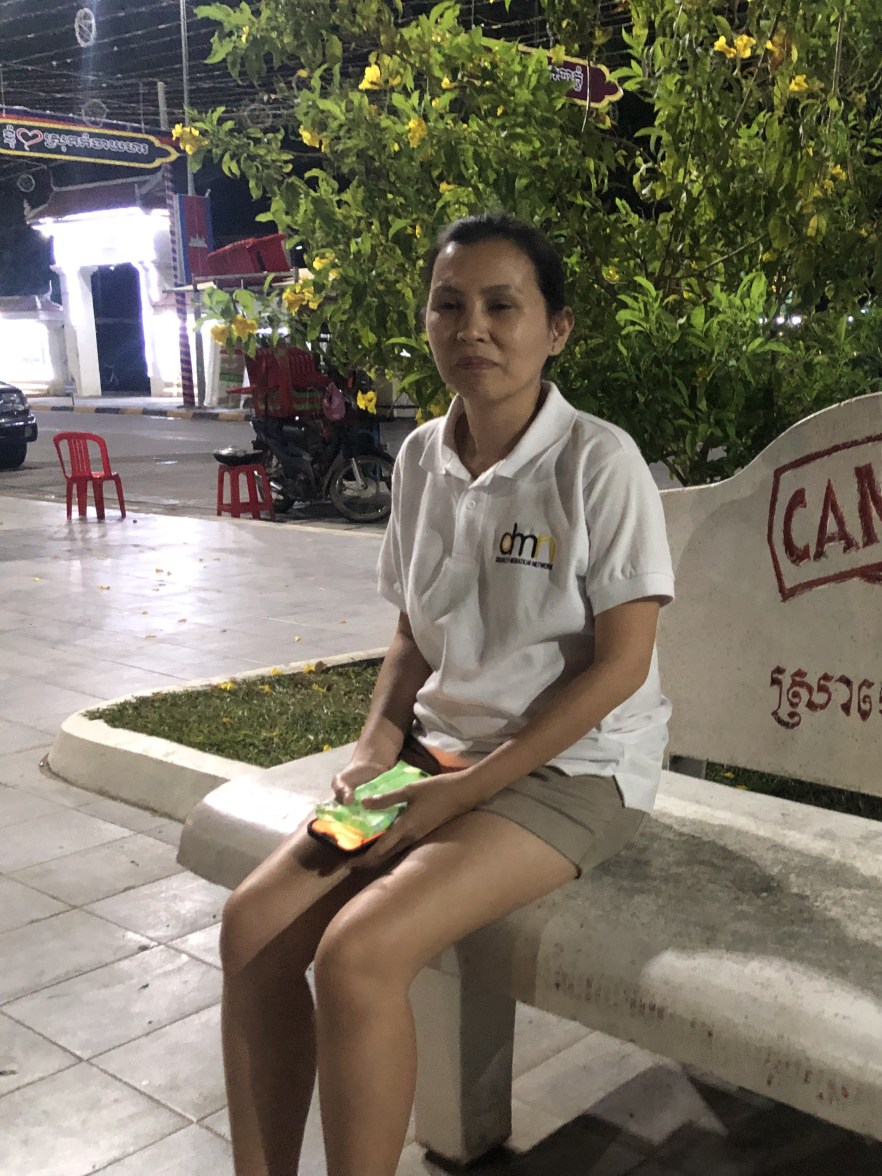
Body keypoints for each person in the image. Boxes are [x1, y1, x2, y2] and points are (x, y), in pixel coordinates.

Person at [218, 212, 674, 1176]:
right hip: (433, 761)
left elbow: (621, 666)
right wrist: (375, 749)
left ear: (556, 329)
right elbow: (411, 638)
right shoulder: (423, 458)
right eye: (450, 304)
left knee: (358, 956)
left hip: (570, 776)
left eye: (503, 305)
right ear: (426, 323)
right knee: (253, 926)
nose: (473, 327)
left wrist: (457, 793)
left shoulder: (598, 462)